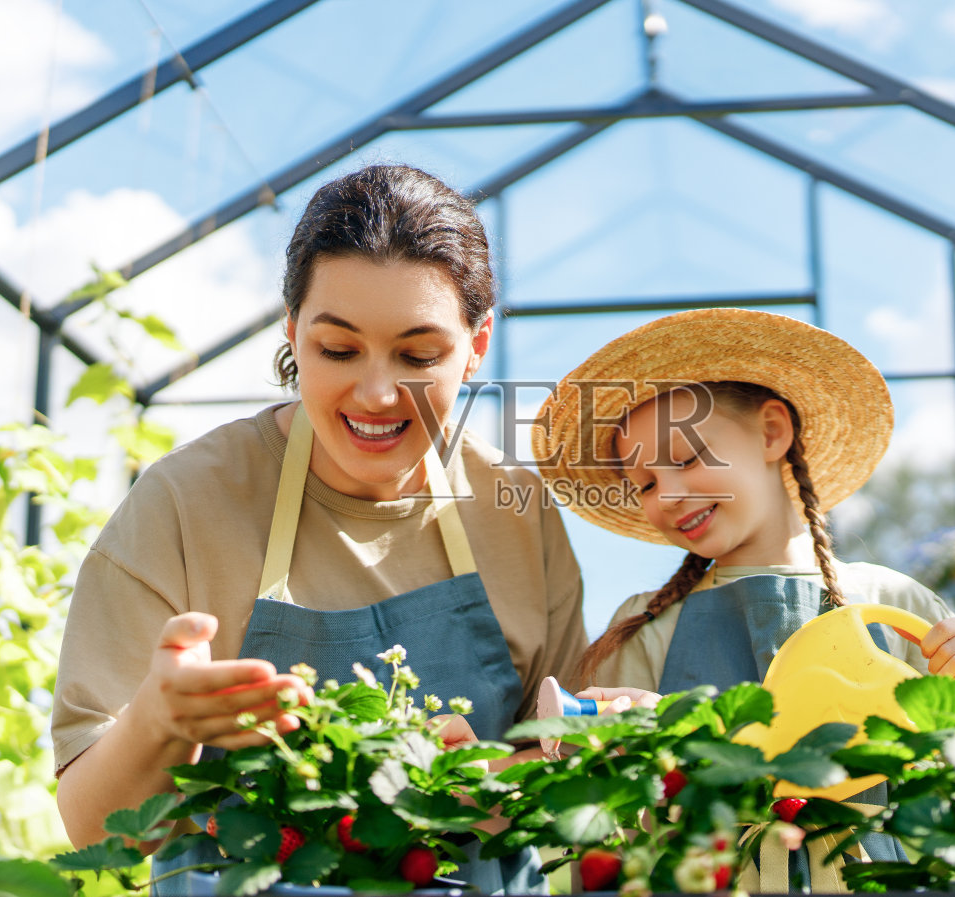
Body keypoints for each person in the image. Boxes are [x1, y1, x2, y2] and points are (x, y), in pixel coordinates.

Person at [52, 164, 587, 895]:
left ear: (477, 343)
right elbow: (95, 827)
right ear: (292, 331)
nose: (375, 392)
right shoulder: (184, 503)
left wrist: (483, 780)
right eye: (338, 348)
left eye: (419, 355)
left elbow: (573, 786)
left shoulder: (518, 514)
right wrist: (158, 718)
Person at [530, 308, 955, 874]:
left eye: (687, 458)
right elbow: (613, 821)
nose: (671, 494)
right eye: (647, 483)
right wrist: (633, 748)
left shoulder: (895, 603)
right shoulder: (643, 626)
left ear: (772, 431)